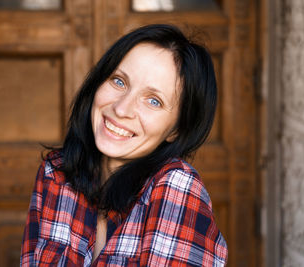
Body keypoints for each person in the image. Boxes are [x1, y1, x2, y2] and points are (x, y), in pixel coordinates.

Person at [20, 24, 228, 266]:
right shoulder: (56, 174)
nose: (121, 108)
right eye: (119, 82)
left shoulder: (177, 186)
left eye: (153, 101)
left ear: (176, 129)